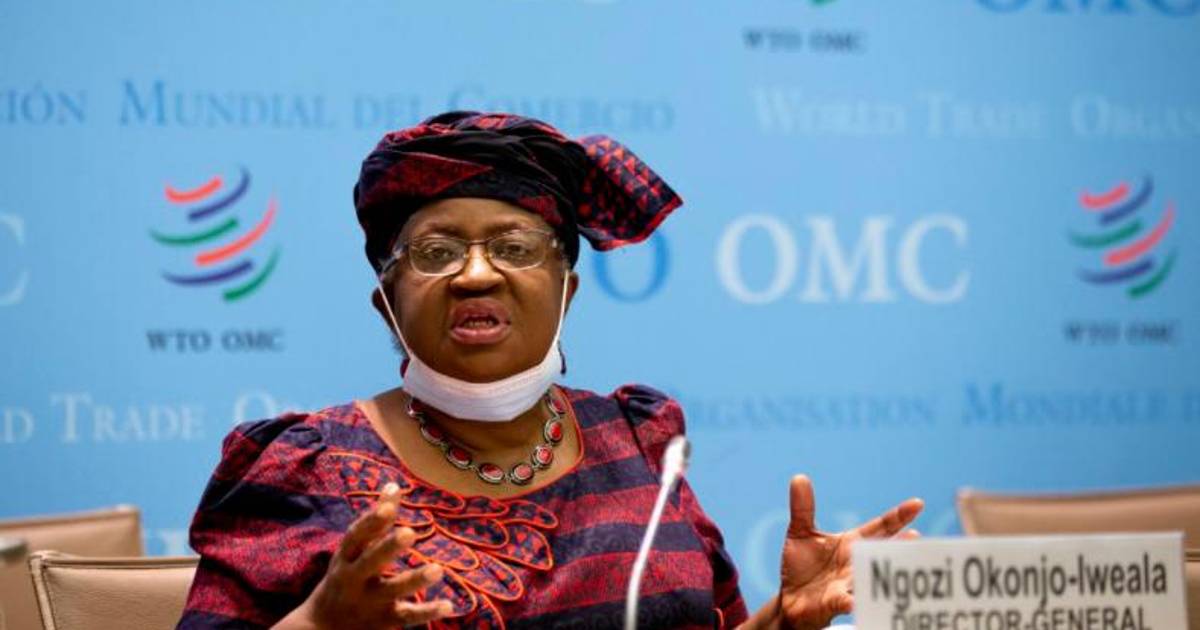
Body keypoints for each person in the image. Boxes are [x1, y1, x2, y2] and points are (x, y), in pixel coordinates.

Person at [176, 111, 923, 630]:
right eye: (436, 252)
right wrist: (318, 623)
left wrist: (786, 619)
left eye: (514, 247)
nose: (476, 274)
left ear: (566, 292)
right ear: (387, 305)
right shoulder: (303, 468)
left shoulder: (639, 440)